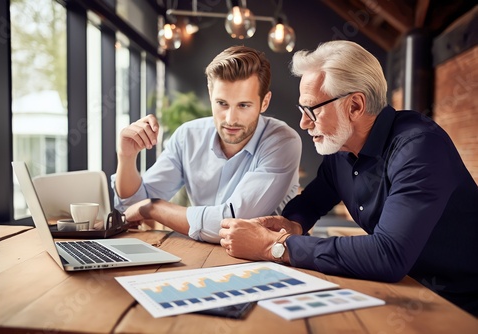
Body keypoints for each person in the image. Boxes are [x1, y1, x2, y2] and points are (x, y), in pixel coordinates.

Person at [219, 40, 478, 315]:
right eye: (301, 111)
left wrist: (275, 246)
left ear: (355, 106)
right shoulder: (341, 148)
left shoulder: (420, 148)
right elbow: (312, 202)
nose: (303, 123)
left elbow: (387, 255)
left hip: (459, 305)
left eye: (312, 110)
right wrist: (292, 224)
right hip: (405, 292)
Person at [111, 45, 302, 243]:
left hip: (266, 261)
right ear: (210, 96)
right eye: (222, 103)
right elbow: (132, 208)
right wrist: (126, 157)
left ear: (264, 102)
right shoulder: (188, 136)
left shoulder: (283, 142)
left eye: (243, 105)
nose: (230, 119)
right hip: (198, 255)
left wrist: (154, 207)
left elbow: (235, 223)